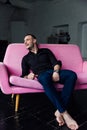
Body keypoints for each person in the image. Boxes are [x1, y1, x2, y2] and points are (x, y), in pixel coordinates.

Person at [21, 34, 79, 130]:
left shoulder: (46, 51)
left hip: (53, 72)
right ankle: (65, 113)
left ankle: (58, 111)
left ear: (34, 40)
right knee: (44, 78)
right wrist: (28, 76)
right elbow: (23, 74)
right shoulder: (25, 58)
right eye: (24, 41)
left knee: (72, 75)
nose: (25, 42)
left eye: (27, 39)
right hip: (42, 75)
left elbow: (55, 63)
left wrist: (56, 72)